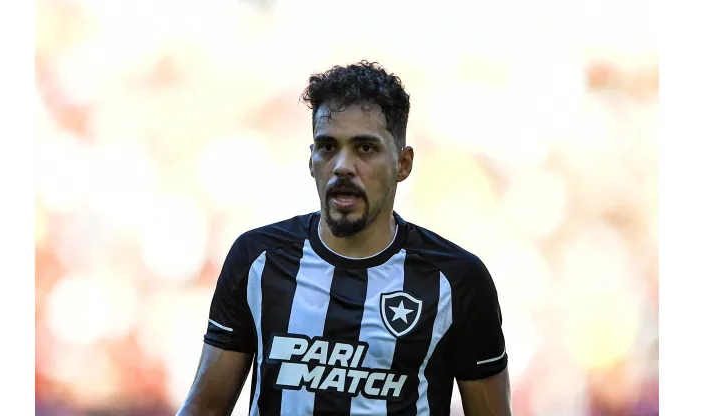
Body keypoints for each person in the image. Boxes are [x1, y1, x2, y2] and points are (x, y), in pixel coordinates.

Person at [177, 60, 511, 416]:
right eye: (327, 147)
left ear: (403, 163)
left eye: (365, 148)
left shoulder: (456, 280)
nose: (342, 166)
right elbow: (204, 409)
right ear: (311, 160)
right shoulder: (258, 259)